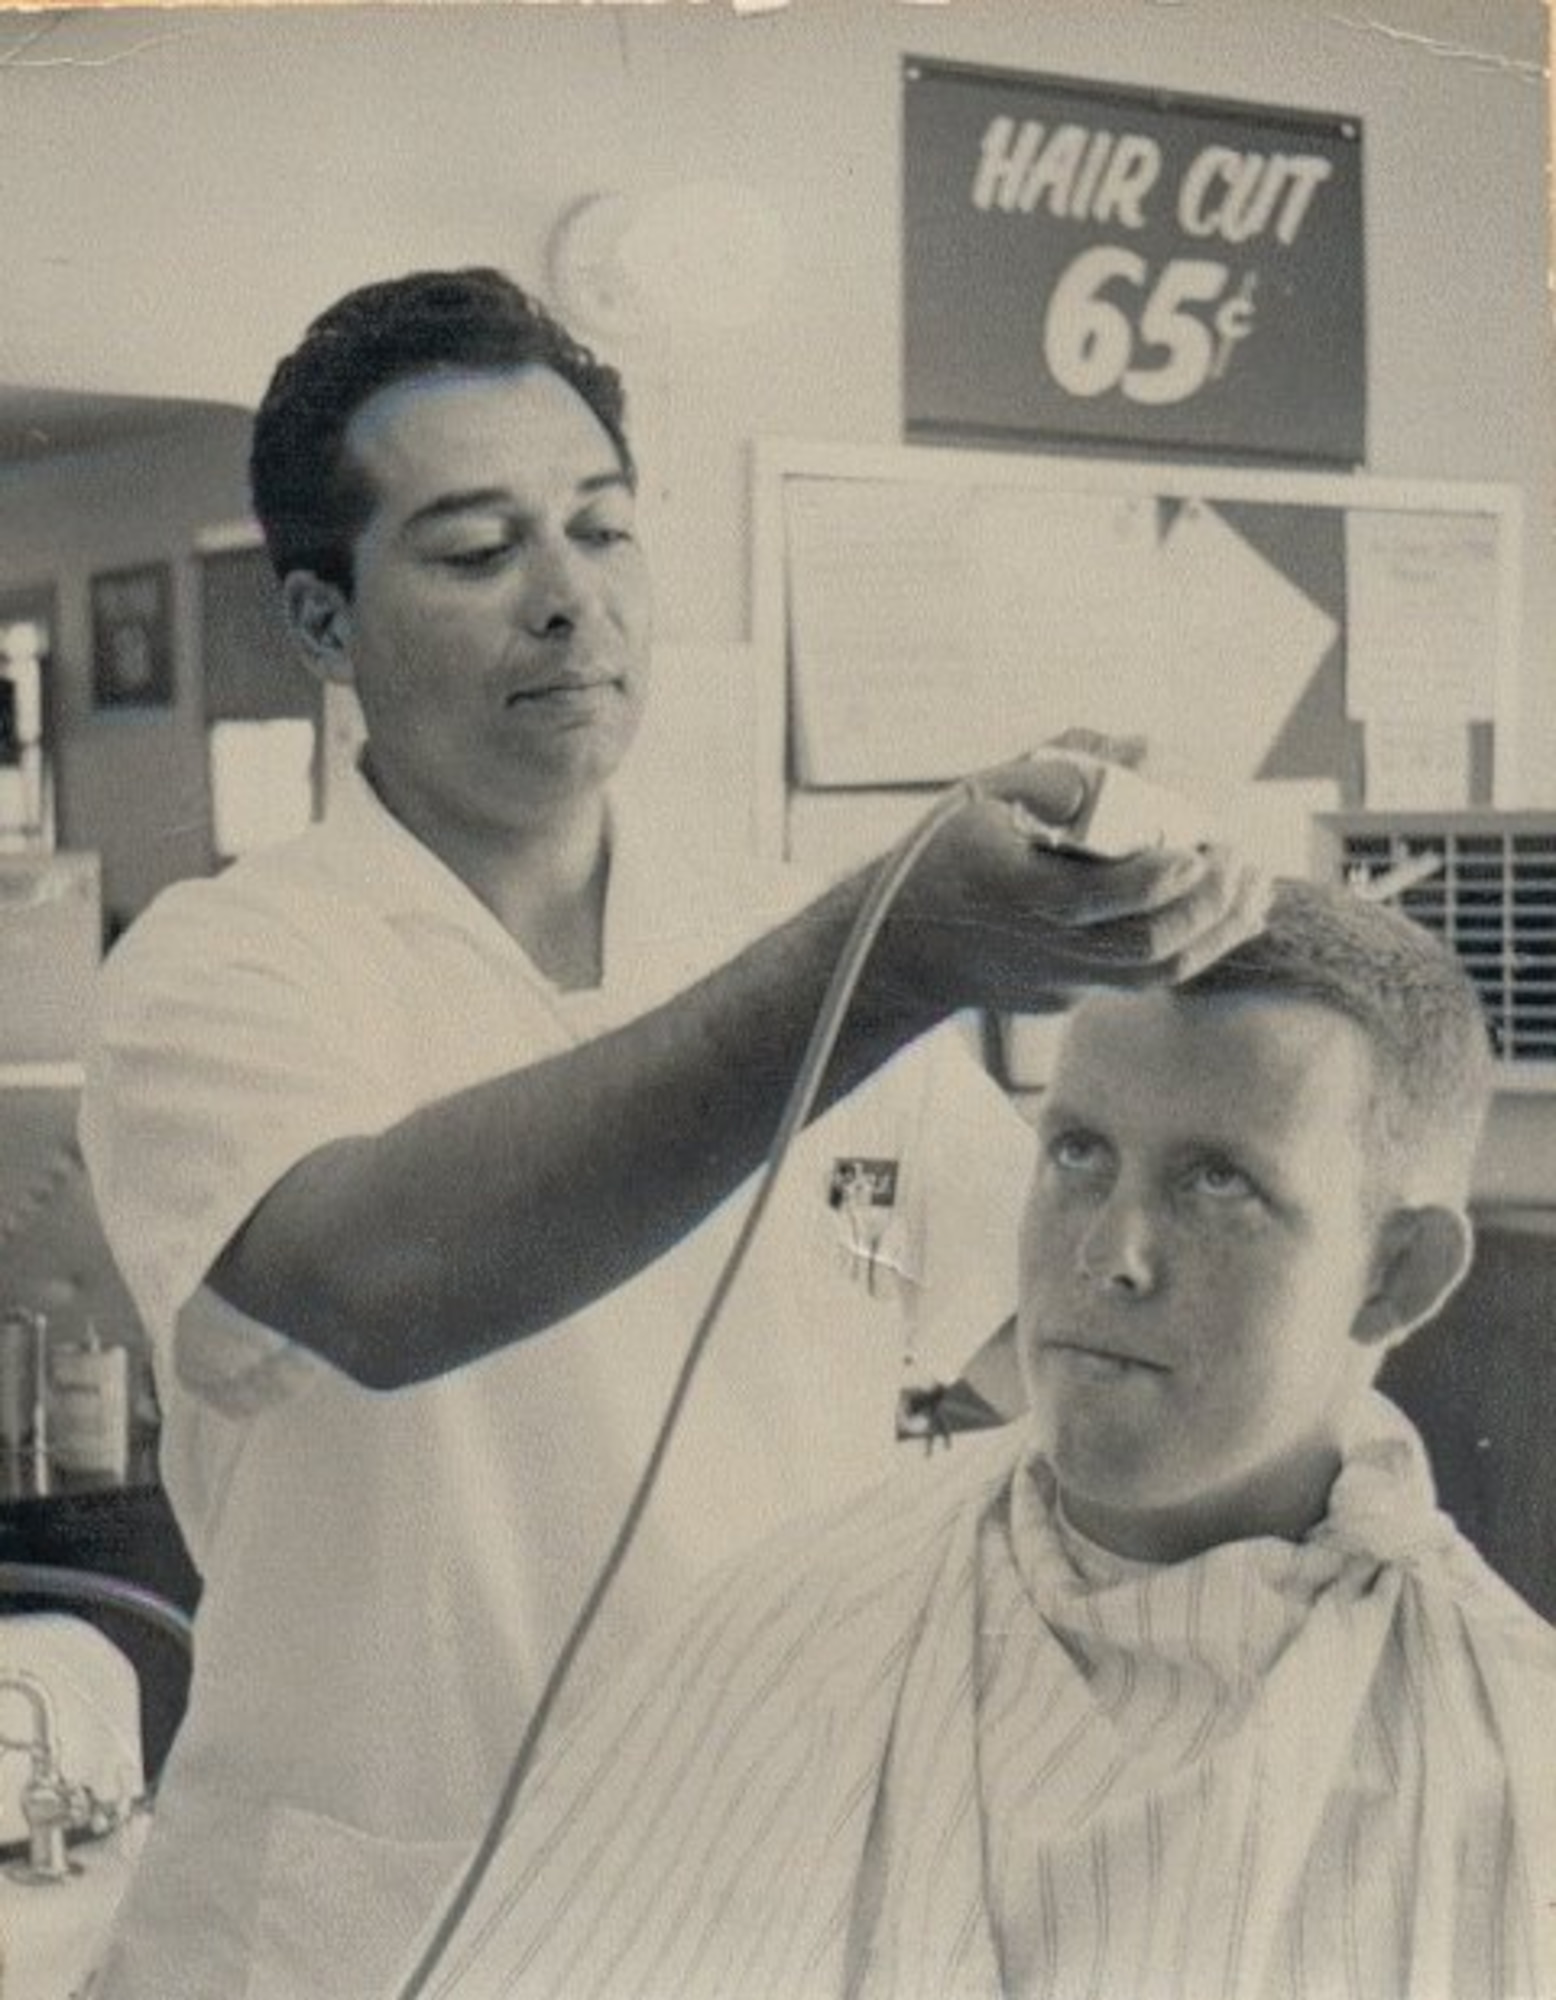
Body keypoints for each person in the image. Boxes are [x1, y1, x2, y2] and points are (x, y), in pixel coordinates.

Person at [78, 267, 1264, 1999]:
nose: (571, 603)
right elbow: (380, 1280)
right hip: (371, 1929)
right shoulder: (227, 963)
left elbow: (1064, 1362)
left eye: (605, 531)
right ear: (325, 627)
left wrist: (1213, 1025)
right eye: (480, 553)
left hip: (755, 1916)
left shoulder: (779, 930)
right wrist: (897, 958)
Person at [411, 880, 1556, 2000]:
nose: (1108, 1252)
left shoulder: (1508, 1748)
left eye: (1217, 1183)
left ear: (1394, 1273)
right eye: (1074, 1154)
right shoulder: (788, 1624)